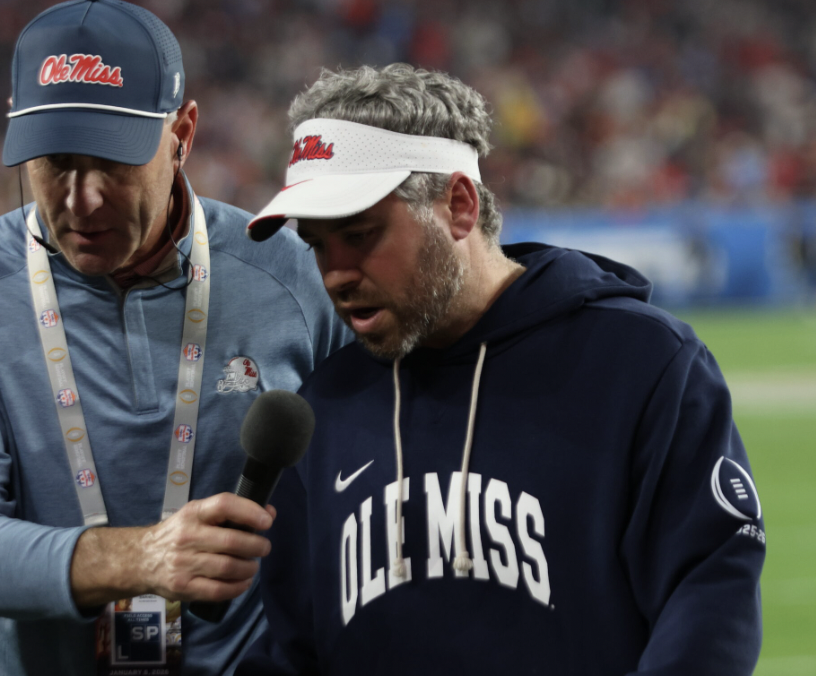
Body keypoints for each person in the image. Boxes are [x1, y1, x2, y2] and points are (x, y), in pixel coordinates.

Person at [238, 63, 766, 676]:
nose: (335, 274)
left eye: (359, 235)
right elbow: (293, 648)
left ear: (459, 206)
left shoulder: (639, 363)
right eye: (318, 245)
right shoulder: (324, 407)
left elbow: (708, 592)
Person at [0, 2, 349, 675]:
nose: (82, 200)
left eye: (113, 161)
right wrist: (137, 558)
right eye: (56, 162)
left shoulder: (291, 275)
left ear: (182, 132)